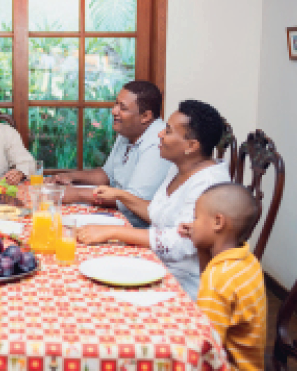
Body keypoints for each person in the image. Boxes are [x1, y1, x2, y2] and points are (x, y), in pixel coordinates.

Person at [77, 100, 231, 300]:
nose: (159, 134)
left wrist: (114, 231)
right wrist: (120, 194)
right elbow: (158, 213)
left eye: (167, 131)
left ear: (191, 146)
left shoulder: (209, 184)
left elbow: (181, 242)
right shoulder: (179, 167)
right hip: (154, 264)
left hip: (185, 285)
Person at [48, 80, 172, 228]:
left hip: (140, 229)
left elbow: (132, 200)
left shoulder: (158, 142)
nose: (114, 111)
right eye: (116, 104)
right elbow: (107, 175)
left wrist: (74, 194)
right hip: (117, 217)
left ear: (145, 116)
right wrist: (70, 177)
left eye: (123, 108)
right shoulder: (128, 130)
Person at [178, 183, 266, 370]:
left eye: (196, 218)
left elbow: (206, 348)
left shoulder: (218, 279)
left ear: (218, 222)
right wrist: (200, 244)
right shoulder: (247, 260)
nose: (192, 223)